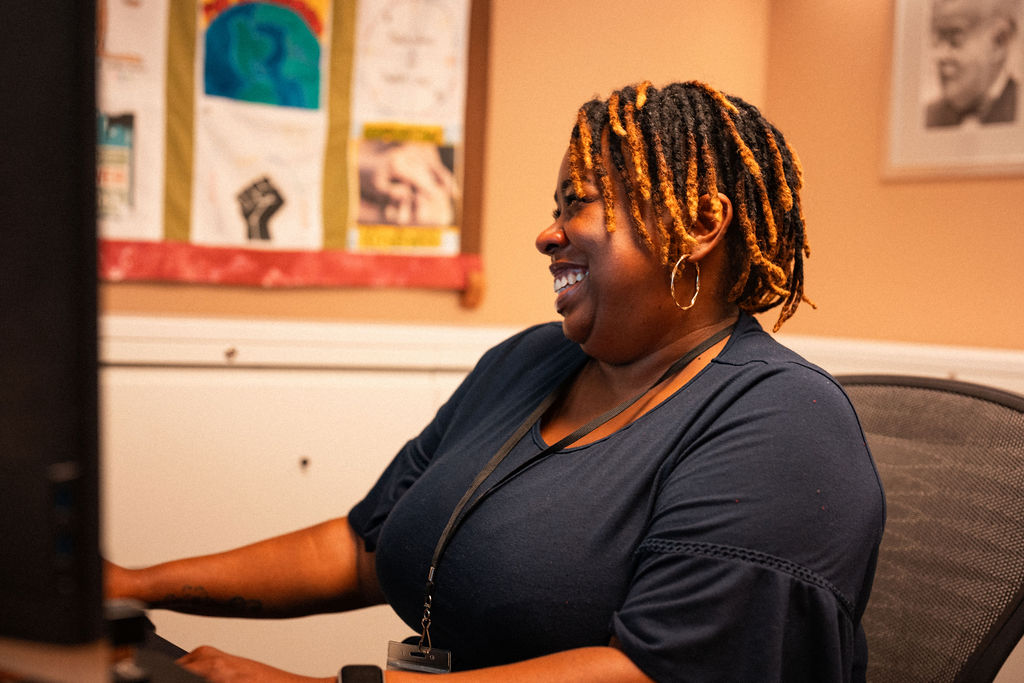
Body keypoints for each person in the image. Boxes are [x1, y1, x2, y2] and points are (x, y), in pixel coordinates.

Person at [106, 81, 885, 682]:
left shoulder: (783, 424)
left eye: (578, 202)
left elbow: (652, 672)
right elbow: (364, 542)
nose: (547, 233)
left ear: (699, 222)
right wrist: (135, 583)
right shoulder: (525, 363)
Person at [925, 0, 1021, 127]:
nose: (939, 55)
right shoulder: (931, 116)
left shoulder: (1017, 107)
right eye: (937, 41)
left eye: (954, 41)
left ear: (999, 41)